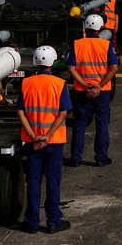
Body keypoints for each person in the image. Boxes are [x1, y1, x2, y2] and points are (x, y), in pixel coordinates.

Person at [18, 45, 73, 234]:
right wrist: (48, 136)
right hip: (54, 142)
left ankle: (31, 223)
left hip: (33, 143)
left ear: (35, 62)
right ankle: (53, 222)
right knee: (53, 182)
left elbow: (21, 113)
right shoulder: (59, 84)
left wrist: (34, 136)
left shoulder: (26, 83)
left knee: (33, 182)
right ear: (53, 62)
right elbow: (63, 113)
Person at [66, 14, 119, 167]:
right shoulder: (105, 45)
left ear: (86, 27)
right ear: (101, 27)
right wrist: (99, 86)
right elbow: (113, 68)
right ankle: (101, 158)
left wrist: (85, 85)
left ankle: (75, 158)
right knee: (101, 124)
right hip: (101, 92)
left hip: (82, 91)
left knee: (80, 124)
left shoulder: (77, 44)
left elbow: (71, 68)